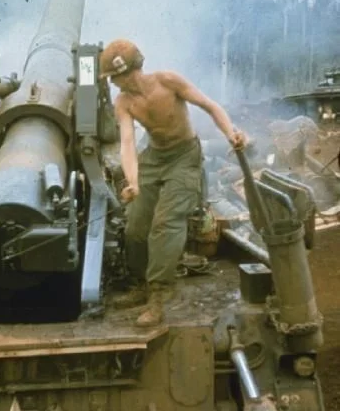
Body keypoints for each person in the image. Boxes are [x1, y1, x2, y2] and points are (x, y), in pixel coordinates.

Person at [99, 39, 247, 333]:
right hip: (153, 157)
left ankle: (157, 296)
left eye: (114, 78)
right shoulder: (124, 102)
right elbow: (128, 143)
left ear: (127, 72)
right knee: (136, 227)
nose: (114, 85)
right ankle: (142, 283)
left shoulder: (168, 81)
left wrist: (231, 133)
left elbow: (209, 105)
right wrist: (133, 182)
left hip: (184, 157)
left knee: (166, 224)